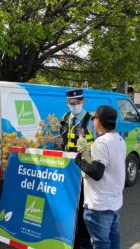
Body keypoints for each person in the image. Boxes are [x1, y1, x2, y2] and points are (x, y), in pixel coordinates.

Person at [75, 105, 126, 249]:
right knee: (114, 240)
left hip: (99, 205)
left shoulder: (101, 143)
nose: (93, 122)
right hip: (114, 202)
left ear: (98, 120)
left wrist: (80, 161)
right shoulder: (119, 139)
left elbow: (97, 173)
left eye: (94, 119)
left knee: (101, 244)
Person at [59, 88, 96, 249]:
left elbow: (97, 146)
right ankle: (70, 239)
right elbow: (63, 140)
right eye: (71, 103)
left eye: (77, 103)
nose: (73, 106)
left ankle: (84, 242)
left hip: (83, 170)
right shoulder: (65, 117)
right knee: (69, 206)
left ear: (83, 102)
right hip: (67, 168)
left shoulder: (90, 120)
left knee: (83, 208)